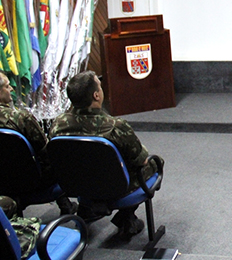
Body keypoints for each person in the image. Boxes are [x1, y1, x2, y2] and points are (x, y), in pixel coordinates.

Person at [49, 70, 163, 240]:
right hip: (116, 187)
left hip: (78, 184)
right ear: (96, 95)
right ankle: (127, 219)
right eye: (100, 87)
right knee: (156, 163)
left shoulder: (58, 125)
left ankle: (87, 209)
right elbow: (141, 159)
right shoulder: (115, 126)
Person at [0, 71, 76, 215]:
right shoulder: (21, 118)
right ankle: (76, 207)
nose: (11, 89)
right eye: (7, 86)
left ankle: (66, 205)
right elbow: (46, 151)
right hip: (32, 180)